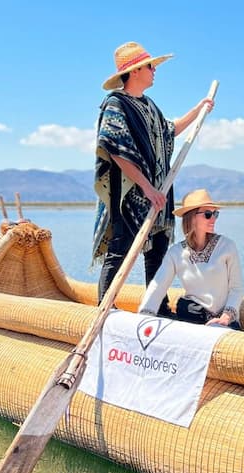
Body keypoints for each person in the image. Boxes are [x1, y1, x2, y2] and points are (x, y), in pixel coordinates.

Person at [92, 41, 214, 303]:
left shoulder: (149, 106)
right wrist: (147, 188)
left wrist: (199, 110)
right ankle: (105, 310)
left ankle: (155, 308)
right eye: (151, 66)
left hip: (158, 195)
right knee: (120, 251)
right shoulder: (116, 104)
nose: (154, 71)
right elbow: (115, 149)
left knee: (157, 253)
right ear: (135, 71)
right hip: (129, 196)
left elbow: (169, 130)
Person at [138, 189, 244, 330]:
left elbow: (236, 289)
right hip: (192, 320)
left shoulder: (227, 246)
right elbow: (158, 287)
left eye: (215, 214)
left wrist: (225, 318)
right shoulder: (176, 252)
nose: (213, 219)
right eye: (208, 214)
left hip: (225, 323)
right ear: (192, 217)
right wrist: (144, 315)